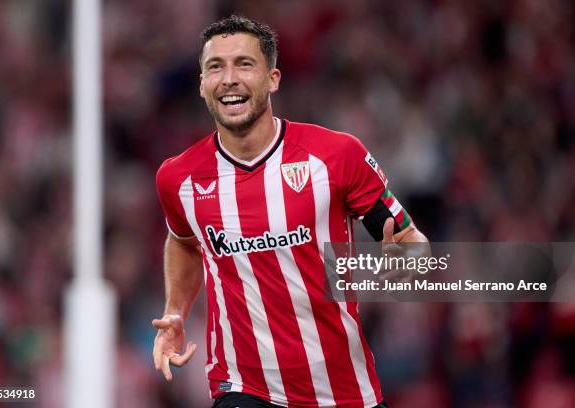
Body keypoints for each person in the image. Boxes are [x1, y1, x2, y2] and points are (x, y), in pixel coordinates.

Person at [152, 14, 429, 408]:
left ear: (273, 79)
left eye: (244, 64)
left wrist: (405, 263)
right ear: (202, 84)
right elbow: (182, 242)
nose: (229, 78)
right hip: (244, 389)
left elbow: (412, 243)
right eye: (216, 67)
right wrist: (176, 312)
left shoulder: (336, 156)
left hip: (344, 391)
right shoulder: (178, 178)